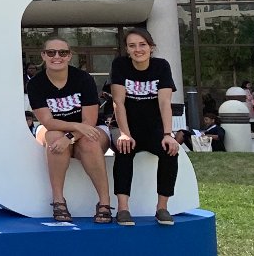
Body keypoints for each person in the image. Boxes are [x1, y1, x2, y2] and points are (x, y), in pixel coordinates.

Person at [25, 38, 111, 224]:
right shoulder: (36, 84)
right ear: (43, 55)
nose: (57, 56)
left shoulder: (83, 78)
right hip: (57, 129)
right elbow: (48, 121)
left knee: (90, 141)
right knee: (55, 138)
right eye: (51, 52)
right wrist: (74, 127)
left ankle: (104, 202)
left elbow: (90, 121)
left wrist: (71, 136)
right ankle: (58, 200)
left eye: (62, 52)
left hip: (89, 130)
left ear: (69, 55)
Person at [109, 27, 180, 226]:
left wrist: (168, 134)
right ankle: (123, 209)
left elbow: (165, 103)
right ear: (127, 49)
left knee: (170, 152)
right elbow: (118, 102)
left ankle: (162, 208)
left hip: (153, 127)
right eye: (132, 46)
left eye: (142, 45)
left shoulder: (161, 66)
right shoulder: (120, 65)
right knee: (124, 150)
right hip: (126, 126)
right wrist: (124, 133)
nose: (138, 49)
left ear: (151, 47)